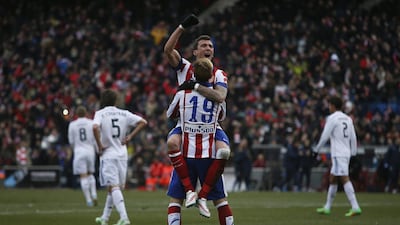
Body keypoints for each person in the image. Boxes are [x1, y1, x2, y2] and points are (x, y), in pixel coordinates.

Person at [164, 14, 233, 224]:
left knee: (224, 150)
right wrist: (182, 27)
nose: (208, 48)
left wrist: (195, 87)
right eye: (204, 45)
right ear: (195, 52)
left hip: (211, 125)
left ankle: (202, 194)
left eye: (211, 46)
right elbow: (167, 50)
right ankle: (191, 192)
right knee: (172, 142)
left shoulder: (219, 74)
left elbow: (220, 97)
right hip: (185, 125)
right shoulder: (185, 68)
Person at [93, 89, 148, 225]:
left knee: (114, 186)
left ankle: (124, 218)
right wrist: (130, 137)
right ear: (115, 100)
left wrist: (99, 145)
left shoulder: (100, 113)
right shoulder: (124, 113)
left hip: (109, 154)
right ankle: (104, 218)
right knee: (114, 187)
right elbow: (143, 122)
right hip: (122, 154)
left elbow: (94, 127)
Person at [313, 96, 362, 217]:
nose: (329, 107)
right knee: (333, 179)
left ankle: (355, 207)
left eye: (329, 105)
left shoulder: (332, 118)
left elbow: (325, 136)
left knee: (344, 178)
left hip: (338, 154)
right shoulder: (347, 119)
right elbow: (353, 137)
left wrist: (316, 150)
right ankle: (327, 207)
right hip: (345, 152)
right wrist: (354, 152)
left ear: (333, 106)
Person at [67, 105, 98, 207]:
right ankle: (94, 194)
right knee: (90, 174)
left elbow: (71, 141)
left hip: (79, 151)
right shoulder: (91, 123)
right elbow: (95, 138)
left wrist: (74, 149)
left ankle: (89, 200)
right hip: (90, 151)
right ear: (86, 113)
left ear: (76, 114)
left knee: (83, 176)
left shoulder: (72, 125)